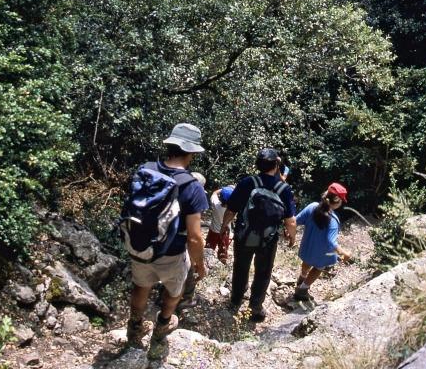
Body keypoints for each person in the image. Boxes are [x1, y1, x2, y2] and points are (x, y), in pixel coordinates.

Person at [125, 123, 208, 360]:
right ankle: (162, 325)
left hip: (140, 245)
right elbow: (194, 236)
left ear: (170, 145)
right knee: (175, 290)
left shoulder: (145, 170)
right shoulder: (192, 186)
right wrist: (199, 264)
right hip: (171, 252)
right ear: (191, 152)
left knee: (141, 286)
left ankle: (135, 325)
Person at [220, 148, 297, 322]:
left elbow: (231, 209)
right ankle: (255, 307)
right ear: (276, 165)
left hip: (244, 235)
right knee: (263, 271)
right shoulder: (283, 188)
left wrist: (224, 227)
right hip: (268, 239)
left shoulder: (247, 182)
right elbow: (290, 220)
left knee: (240, 267)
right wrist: (292, 237)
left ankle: (235, 300)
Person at [293, 182, 351, 302]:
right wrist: (344, 252)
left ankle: (301, 278)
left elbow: (296, 220)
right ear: (338, 201)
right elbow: (331, 242)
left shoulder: (312, 206)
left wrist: (289, 233)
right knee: (318, 268)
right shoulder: (333, 221)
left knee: (307, 262)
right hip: (321, 254)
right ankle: (302, 290)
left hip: (307, 248)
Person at [206, 186, 234, 263]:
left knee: (209, 248)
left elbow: (214, 193)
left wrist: (223, 189)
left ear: (220, 197)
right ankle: (222, 262)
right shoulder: (232, 209)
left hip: (213, 231)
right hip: (225, 232)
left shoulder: (215, 204)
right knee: (223, 250)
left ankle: (206, 262)